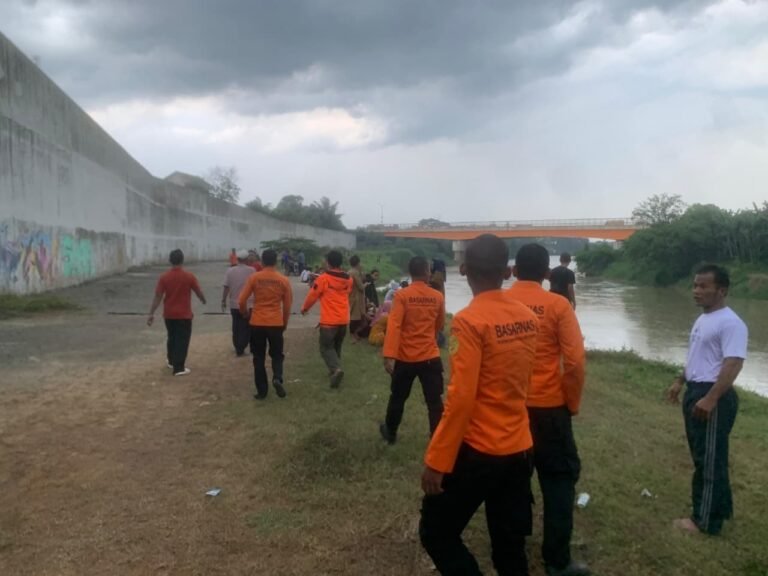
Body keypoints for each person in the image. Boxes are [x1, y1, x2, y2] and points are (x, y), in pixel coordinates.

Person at [419, 234, 539, 575]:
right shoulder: (528, 317)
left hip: (478, 451)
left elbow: (460, 398)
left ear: (463, 270)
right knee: (508, 544)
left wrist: (437, 460)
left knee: (436, 532)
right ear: (507, 272)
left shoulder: (469, 321)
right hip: (519, 448)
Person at [508, 243, 588, 576]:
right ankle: (556, 561)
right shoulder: (558, 305)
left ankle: (512, 544)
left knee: (512, 480)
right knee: (558, 480)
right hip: (550, 410)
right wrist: (570, 402)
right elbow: (574, 362)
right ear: (546, 273)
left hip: (509, 410)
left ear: (513, 272)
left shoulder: (498, 303)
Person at [667, 264, 748, 536]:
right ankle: (720, 509)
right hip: (696, 391)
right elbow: (697, 357)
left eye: (703, 286)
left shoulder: (731, 323)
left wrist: (712, 399)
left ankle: (704, 522)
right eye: (695, 285)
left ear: (721, 290)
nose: (696, 291)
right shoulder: (704, 319)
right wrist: (681, 380)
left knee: (710, 460)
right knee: (703, 456)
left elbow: (733, 363)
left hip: (714, 397)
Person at [379, 256, 445, 444]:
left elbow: (395, 326)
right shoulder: (437, 296)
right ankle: (438, 439)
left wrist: (389, 355)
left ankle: (390, 432)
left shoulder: (401, 296)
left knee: (398, 397)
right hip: (430, 356)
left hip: (405, 358)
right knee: (434, 401)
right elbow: (439, 324)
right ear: (427, 272)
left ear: (410, 273)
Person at [239, 249, 293, 400]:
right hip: (276, 322)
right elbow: (288, 305)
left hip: (257, 322)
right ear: (276, 262)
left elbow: (242, 300)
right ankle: (277, 378)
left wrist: (244, 313)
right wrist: (285, 322)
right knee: (277, 355)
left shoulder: (254, 278)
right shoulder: (283, 280)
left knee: (258, 357)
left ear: (262, 262)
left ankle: (262, 391)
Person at [147, 249, 206, 376]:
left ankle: (172, 361)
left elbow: (158, 296)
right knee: (182, 340)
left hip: (169, 314)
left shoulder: (164, 277)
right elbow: (198, 291)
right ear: (182, 260)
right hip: (184, 314)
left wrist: (151, 313)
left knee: (172, 337)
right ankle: (179, 368)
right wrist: (203, 299)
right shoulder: (189, 276)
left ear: (170, 261)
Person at [300, 250, 353, 388]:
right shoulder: (348, 279)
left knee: (325, 348)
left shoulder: (323, 278)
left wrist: (305, 308)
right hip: (343, 320)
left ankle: (336, 369)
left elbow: (313, 295)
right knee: (336, 346)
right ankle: (334, 371)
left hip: (329, 321)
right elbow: (346, 292)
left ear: (328, 262)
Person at [221, 249, 255, 356]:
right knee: (246, 327)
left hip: (234, 304)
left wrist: (223, 300)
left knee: (236, 326)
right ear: (246, 259)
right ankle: (242, 347)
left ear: (238, 259)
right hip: (248, 304)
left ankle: (237, 347)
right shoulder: (252, 270)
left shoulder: (230, 271)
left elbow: (226, 287)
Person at [348, 255, 366, 338]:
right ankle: (354, 333)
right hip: (356, 297)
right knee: (356, 316)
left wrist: (361, 272)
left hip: (351, 295)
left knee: (352, 314)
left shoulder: (349, 272)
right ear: (358, 263)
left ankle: (354, 332)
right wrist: (365, 285)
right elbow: (361, 287)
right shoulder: (355, 272)